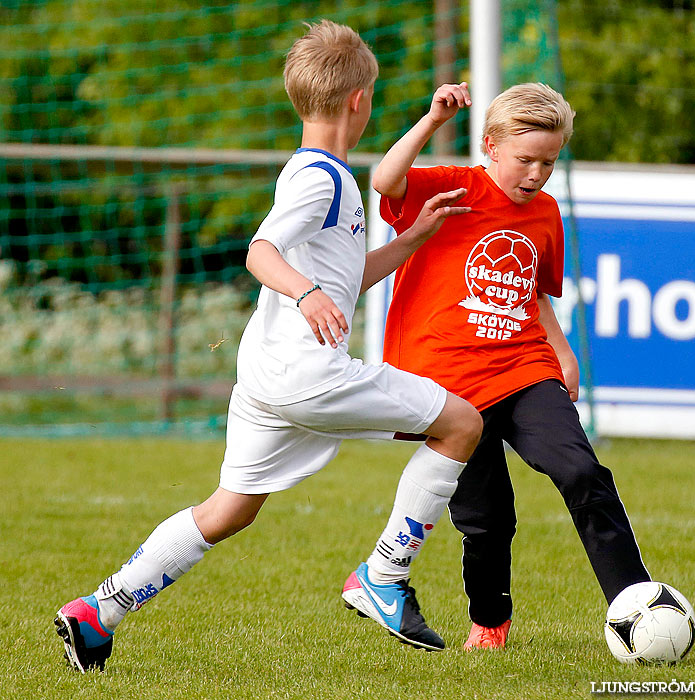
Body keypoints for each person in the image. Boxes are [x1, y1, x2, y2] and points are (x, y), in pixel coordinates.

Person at [54, 21, 483, 673]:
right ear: (359, 101)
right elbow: (260, 252)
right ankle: (384, 576)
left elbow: (340, 281)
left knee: (228, 511)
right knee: (461, 424)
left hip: (264, 374)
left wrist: (407, 242)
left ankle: (98, 612)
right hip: (308, 375)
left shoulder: (319, 172)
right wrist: (307, 294)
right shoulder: (321, 181)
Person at [371, 81, 651, 650]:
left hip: (524, 368)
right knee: (487, 519)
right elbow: (384, 181)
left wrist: (564, 352)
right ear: (490, 145)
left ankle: (639, 606)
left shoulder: (547, 213)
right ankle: (490, 623)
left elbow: (537, 294)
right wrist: (430, 120)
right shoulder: (451, 188)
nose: (537, 174)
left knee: (581, 472)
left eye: (549, 161)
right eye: (526, 159)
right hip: (451, 392)